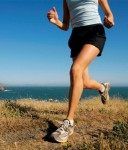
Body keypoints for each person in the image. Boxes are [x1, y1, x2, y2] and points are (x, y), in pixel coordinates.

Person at [47, 0, 114, 143]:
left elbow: (108, 13)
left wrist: (110, 18)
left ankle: (69, 122)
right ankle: (103, 87)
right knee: (84, 83)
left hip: (94, 32)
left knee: (75, 70)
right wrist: (55, 21)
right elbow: (65, 26)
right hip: (76, 37)